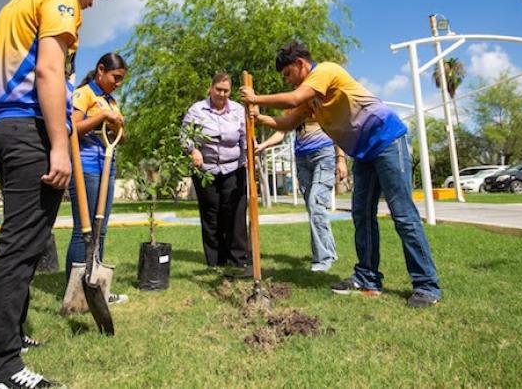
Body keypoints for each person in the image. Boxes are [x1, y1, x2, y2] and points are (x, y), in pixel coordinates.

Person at [0, 0, 112, 389]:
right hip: (28, 130)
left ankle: (11, 334)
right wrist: (58, 143)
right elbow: (50, 74)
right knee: (19, 248)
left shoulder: (15, 3)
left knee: (27, 244)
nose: (86, 8)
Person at [240, 41, 441, 308]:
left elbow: (292, 99)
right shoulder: (312, 98)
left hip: (387, 140)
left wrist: (256, 98)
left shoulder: (325, 71)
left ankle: (426, 285)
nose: (288, 81)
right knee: (361, 215)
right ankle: (368, 278)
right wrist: (259, 116)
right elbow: (288, 122)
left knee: (403, 215)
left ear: (301, 64)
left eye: (288, 74)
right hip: (364, 153)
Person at [65, 52, 128, 305]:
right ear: (101, 70)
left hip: (107, 167)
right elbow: (72, 127)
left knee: (100, 231)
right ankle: (75, 287)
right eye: (116, 77)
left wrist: (115, 125)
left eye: (122, 79)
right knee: (84, 231)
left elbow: (122, 138)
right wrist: (102, 117)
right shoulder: (84, 94)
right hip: (86, 167)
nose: (118, 83)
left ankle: (96, 286)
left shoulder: (110, 100)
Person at [255, 113, 347, 273]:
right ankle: (329, 253)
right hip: (302, 159)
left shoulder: (319, 98)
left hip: (324, 154)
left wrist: (341, 159)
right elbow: (282, 131)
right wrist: (263, 146)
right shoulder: (294, 105)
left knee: (315, 204)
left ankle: (322, 260)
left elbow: (336, 128)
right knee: (315, 208)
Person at [182, 73, 250, 273]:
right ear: (210, 89)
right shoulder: (197, 110)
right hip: (206, 170)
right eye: (218, 89)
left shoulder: (238, 110)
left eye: (226, 90)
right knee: (211, 214)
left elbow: (245, 137)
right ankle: (216, 260)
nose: (222, 94)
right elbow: (185, 135)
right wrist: (193, 150)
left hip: (233, 168)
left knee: (235, 213)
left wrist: (249, 156)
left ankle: (238, 259)